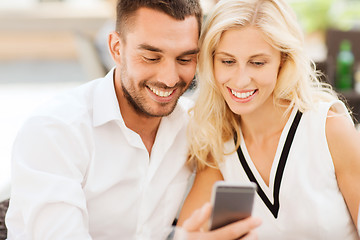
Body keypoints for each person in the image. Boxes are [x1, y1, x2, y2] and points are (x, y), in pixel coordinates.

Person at [5, 0, 261, 239]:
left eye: (185, 59)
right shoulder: (56, 132)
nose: (170, 78)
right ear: (117, 48)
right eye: (151, 57)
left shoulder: (193, 127)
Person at [177, 0, 360, 239]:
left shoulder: (328, 128)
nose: (241, 80)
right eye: (228, 61)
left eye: (257, 62)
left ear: (282, 61)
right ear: (211, 62)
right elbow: (187, 232)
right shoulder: (217, 145)